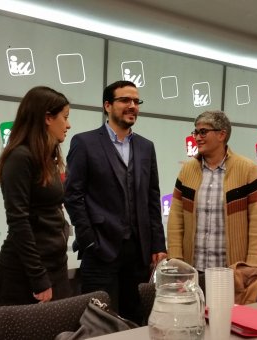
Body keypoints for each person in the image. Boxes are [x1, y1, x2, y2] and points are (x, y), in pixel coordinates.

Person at [64, 80, 167, 323]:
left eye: (136, 101)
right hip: (100, 250)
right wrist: (88, 239)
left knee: (136, 320)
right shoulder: (85, 142)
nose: (132, 106)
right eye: (125, 100)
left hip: (139, 253)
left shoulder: (146, 147)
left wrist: (157, 244)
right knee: (100, 322)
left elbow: (152, 197)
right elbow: (72, 195)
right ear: (107, 106)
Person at [0, 86, 72, 305]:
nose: (68, 125)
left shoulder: (48, 158)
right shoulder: (20, 157)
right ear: (47, 118)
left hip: (55, 268)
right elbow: (19, 221)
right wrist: (38, 278)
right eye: (65, 117)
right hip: (26, 275)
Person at [167, 110, 257, 272]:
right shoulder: (186, 171)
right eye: (195, 132)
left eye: (203, 132)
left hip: (233, 271)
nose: (196, 137)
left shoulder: (247, 169)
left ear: (221, 135)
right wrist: (176, 259)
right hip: (194, 271)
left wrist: (252, 265)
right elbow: (175, 219)